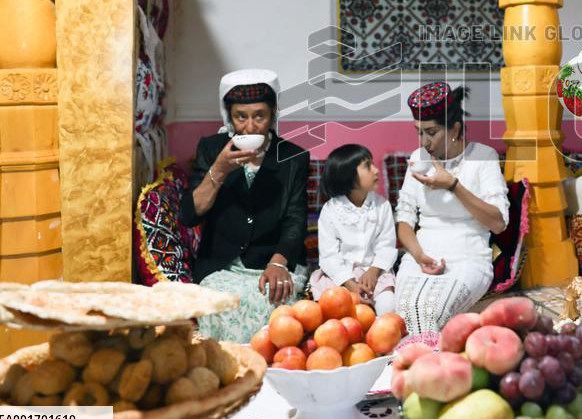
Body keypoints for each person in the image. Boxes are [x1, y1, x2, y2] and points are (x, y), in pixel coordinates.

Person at [180, 69, 311, 343]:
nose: (250, 127)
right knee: (219, 303)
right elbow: (190, 215)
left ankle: (269, 374)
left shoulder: (293, 157)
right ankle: (229, 369)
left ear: (273, 113)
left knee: (274, 305)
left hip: (273, 262)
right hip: (222, 266)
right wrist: (219, 168)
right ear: (229, 116)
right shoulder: (211, 148)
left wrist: (279, 263)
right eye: (241, 117)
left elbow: (295, 219)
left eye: (259, 116)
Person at [394, 83, 509, 335]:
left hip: (468, 256)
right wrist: (418, 255)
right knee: (402, 317)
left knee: (431, 313)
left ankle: (431, 371)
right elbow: (404, 221)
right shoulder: (418, 158)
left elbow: (498, 223)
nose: (424, 142)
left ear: (455, 129)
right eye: (418, 132)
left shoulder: (483, 156)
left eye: (431, 132)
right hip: (421, 255)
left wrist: (453, 186)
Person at [309, 144, 398, 315]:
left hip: (376, 274)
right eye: (368, 166)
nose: (376, 170)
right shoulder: (330, 210)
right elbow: (329, 255)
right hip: (342, 277)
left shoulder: (382, 205)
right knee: (337, 312)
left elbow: (387, 246)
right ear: (347, 176)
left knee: (388, 308)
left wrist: (373, 271)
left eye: (373, 164)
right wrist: (350, 284)